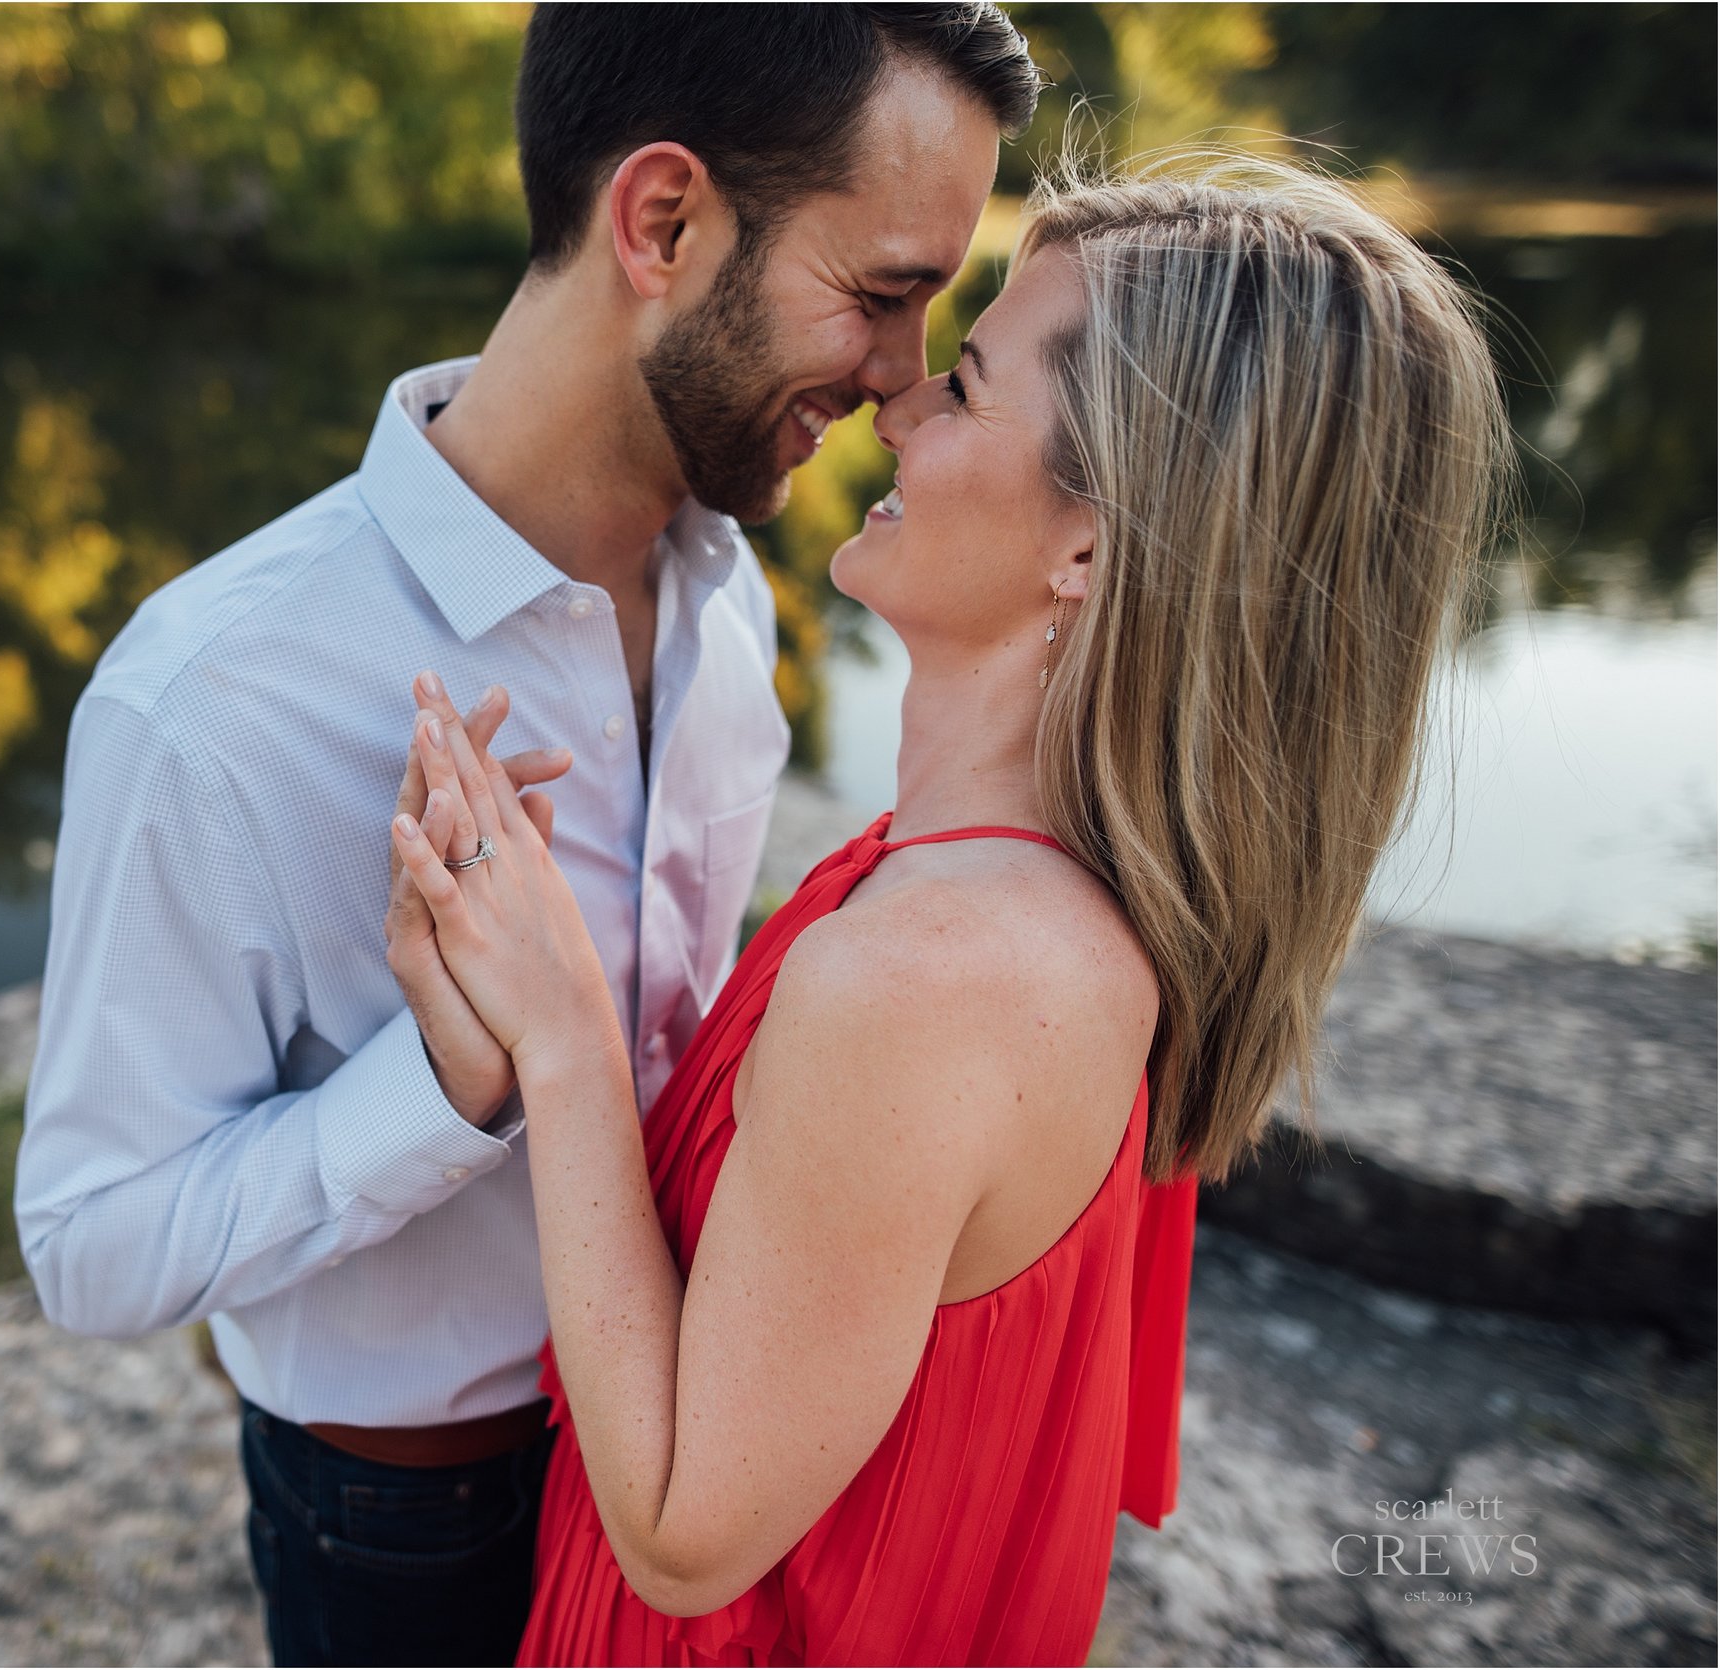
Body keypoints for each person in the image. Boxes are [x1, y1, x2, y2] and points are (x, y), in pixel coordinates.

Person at [383, 150, 1515, 1665]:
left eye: (969, 388)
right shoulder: (1055, 902)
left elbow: (676, 1527)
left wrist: (562, 1028)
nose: (898, 407)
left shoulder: (929, 979)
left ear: (1092, 548)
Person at [13, 6, 1041, 1663]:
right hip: (420, 1533)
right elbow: (90, 1243)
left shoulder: (728, 594)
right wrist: (448, 1084)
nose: (904, 385)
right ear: (661, 221)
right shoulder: (212, 701)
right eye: (881, 294)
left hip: (706, 1468)